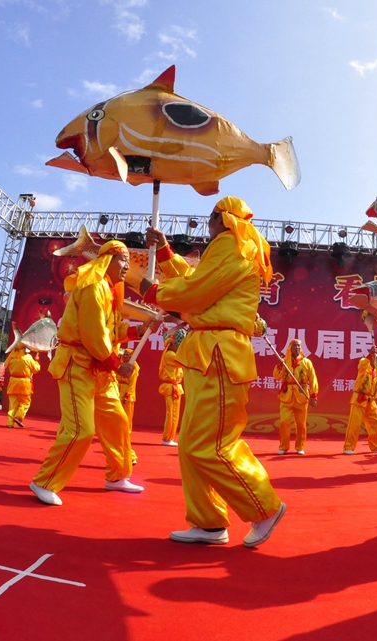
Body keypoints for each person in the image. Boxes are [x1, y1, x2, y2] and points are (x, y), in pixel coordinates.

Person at [143, 196, 286, 547]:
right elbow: (200, 280)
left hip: (219, 353)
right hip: (208, 352)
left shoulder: (232, 244)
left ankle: (264, 507)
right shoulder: (233, 247)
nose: (206, 224)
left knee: (212, 445)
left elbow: (196, 291)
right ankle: (208, 523)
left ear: (222, 218)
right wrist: (164, 254)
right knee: (191, 444)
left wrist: (156, 292)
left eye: (210, 217)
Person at [29, 241, 156, 507]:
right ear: (107, 260)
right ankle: (45, 481)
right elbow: (93, 335)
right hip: (78, 366)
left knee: (118, 423)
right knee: (81, 430)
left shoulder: (109, 292)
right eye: (123, 261)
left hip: (99, 370)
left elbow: (111, 332)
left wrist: (138, 331)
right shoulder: (92, 287)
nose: (127, 268)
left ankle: (117, 476)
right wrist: (115, 364)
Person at [274, 338, 319, 455]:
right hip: (286, 396)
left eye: (299, 346)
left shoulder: (307, 362)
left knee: (301, 424)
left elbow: (313, 379)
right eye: (295, 346)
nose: (297, 348)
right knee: (284, 422)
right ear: (290, 348)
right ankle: (283, 447)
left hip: (301, 396)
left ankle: (300, 446)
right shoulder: (284, 361)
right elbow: (276, 377)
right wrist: (279, 365)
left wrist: (314, 396)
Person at [342, 345, 377, 454]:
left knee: (376, 423)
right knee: (355, 424)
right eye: (375, 359)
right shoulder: (364, 365)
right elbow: (362, 365)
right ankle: (348, 447)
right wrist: (369, 355)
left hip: (370, 401)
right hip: (359, 399)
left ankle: (375, 445)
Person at [3, 344, 41, 428]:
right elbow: (35, 369)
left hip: (13, 382)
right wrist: (36, 359)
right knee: (25, 402)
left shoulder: (12, 357)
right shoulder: (28, 357)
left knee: (12, 404)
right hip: (24, 383)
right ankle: (18, 416)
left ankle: (10, 423)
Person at [158, 332, 185, 446]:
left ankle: (170, 437)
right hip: (170, 387)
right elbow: (182, 362)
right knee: (171, 413)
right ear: (169, 346)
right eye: (175, 343)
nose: (177, 344)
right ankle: (167, 438)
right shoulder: (169, 355)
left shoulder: (173, 354)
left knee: (175, 414)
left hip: (176, 387)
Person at [117, 347, 140, 466]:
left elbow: (132, 384)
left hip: (126, 395)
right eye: (124, 354)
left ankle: (129, 454)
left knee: (125, 421)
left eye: (127, 355)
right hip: (117, 393)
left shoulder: (133, 367)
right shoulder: (120, 365)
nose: (125, 356)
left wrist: (127, 395)